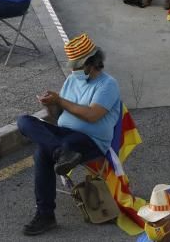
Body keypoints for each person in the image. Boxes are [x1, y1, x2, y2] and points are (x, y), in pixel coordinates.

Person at [16, 33, 122, 236]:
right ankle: (60, 152)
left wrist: (60, 100)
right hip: (66, 137)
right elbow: (58, 117)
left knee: (41, 154)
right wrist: (51, 105)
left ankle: (45, 214)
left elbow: (92, 115)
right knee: (24, 121)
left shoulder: (108, 85)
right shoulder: (73, 80)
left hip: (90, 141)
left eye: (78, 66)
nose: (74, 71)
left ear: (92, 63)